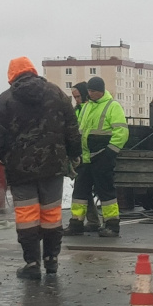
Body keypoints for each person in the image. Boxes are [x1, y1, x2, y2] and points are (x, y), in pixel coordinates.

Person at [0, 56, 81, 279]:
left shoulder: (5, 100)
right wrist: (74, 153)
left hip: (21, 169)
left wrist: (1, 156)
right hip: (53, 165)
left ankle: (31, 263)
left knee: (27, 215)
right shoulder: (57, 93)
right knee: (51, 214)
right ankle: (52, 259)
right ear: (33, 70)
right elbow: (71, 127)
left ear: (11, 76)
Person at [64, 76, 128, 237]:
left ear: (100, 91)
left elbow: (121, 132)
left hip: (101, 157)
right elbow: (80, 130)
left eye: (92, 91)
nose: (90, 94)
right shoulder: (86, 107)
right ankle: (76, 223)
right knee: (79, 192)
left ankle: (112, 225)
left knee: (106, 193)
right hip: (85, 158)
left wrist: (110, 153)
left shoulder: (113, 106)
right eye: (89, 91)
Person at [70, 81, 101, 232]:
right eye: (74, 97)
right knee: (83, 190)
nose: (76, 99)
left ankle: (83, 222)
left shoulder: (90, 109)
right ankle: (93, 220)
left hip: (91, 156)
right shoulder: (77, 110)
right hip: (81, 156)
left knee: (82, 190)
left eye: (77, 96)